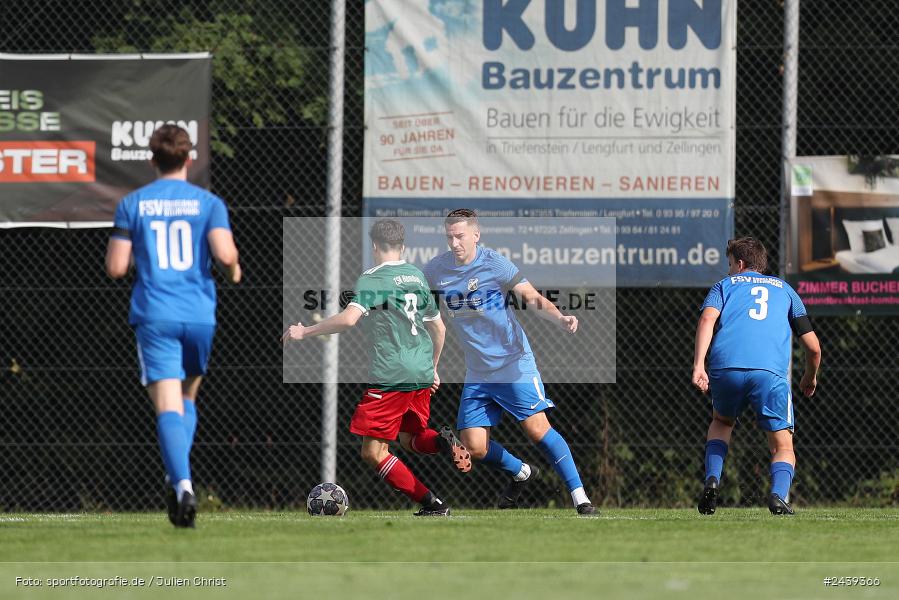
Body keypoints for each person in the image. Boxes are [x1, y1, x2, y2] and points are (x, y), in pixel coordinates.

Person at [281, 219, 470, 516]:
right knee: (411, 440)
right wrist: (432, 369)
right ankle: (442, 445)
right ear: (403, 247)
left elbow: (348, 319)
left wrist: (304, 331)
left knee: (373, 452)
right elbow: (440, 329)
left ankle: (432, 503)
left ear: (374, 246)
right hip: (420, 372)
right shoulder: (416, 276)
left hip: (392, 375)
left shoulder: (372, 278)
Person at [105, 124, 241, 528]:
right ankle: (176, 475)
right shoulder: (209, 203)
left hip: (156, 314)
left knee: (166, 404)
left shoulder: (133, 202)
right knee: (187, 398)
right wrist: (233, 266)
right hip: (199, 315)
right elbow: (225, 253)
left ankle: (181, 483)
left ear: (152, 160)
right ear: (189, 159)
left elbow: (116, 267)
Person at [424, 209, 596, 516]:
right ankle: (522, 472)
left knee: (537, 430)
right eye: (449, 236)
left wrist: (560, 317)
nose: (454, 242)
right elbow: (415, 301)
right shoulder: (436, 269)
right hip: (477, 372)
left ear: (476, 235)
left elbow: (531, 297)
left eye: (460, 236)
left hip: (512, 363)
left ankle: (580, 498)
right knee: (474, 446)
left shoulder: (494, 263)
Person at [692, 237, 821, 515]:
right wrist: (810, 377)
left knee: (721, 422)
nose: (727, 271)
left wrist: (699, 365)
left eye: (729, 265)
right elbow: (813, 348)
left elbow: (706, 320)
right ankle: (778, 496)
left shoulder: (723, 286)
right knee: (782, 444)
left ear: (740, 264)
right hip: (770, 372)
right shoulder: (786, 291)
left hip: (726, 367)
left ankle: (712, 481)